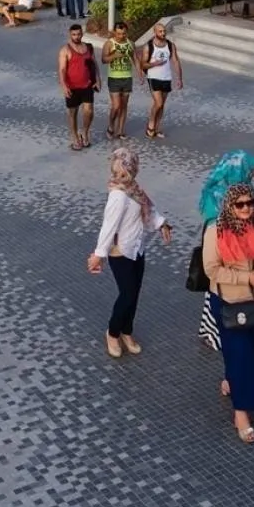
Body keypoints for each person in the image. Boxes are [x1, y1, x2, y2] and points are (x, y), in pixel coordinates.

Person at [202, 183, 254, 444]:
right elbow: (212, 270)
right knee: (241, 356)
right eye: (240, 204)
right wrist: (247, 278)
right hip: (230, 302)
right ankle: (241, 413)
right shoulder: (216, 231)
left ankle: (234, 383)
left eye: (250, 203)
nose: (246, 208)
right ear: (230, 205)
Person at [86, 146, 172, 358]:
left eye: (126, 171)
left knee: (134, 294)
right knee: (127, 295)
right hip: (121, 252)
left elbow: (149, 210)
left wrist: (162, 224)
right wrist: (99, 254)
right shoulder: (119, 196)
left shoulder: (134, 190)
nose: (121, 175)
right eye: (118, 171)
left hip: (137, 249)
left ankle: (127, 331)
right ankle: (113, 332)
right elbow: (109, 226)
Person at [59, 23, 99, 149]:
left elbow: (94, 64)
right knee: (73, 113)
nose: (76, 37)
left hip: (87, 84)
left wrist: (98, 80)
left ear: (82, 34)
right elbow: (62, 70)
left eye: (79, 34)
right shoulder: (65, 50)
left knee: (89, 111)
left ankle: (85, 132)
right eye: (74, 35)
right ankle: (75, 136)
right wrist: (64, 86)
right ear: (70, 35)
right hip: (72, 87)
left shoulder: (88, 48)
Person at [140, 22, 181, 139]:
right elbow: (143, 64)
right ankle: (151, 124)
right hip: (153, 77)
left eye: (164, 31)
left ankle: (157, 128)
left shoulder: (170, 45)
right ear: (155, 32)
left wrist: (179, 78)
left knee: (162, 105)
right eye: (160, 31)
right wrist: (155, 63)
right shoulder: (149, 46)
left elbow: (176, 61)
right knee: (158, 103)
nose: (163, 33)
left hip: (166, 77)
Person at [102, 22, 136, 140]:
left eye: (124, 33)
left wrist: (140, 73)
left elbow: (134, 57)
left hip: (127, 77)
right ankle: (111, 126)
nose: (121, 36)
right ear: (115, 33)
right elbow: (104, 59)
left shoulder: (130, 43)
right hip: (114, 78)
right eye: (119, 33)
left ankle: (121, 130)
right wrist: (114, 56)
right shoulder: (109, 43)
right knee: (116, 106)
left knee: (124, 105)